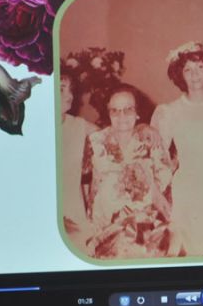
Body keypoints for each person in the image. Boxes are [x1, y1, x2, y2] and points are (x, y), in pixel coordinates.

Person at [151, 42, 203, 256]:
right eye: (187, 69)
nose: (195, 74)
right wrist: (157, 194)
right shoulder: (168, 112)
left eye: (200, 67)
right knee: (192, 250)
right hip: (187, 191)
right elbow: (156, 157)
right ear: (180, 75)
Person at [82, 84, 173, 259]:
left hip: (145, 228)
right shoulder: (95, 141)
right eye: (115, 111)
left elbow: (165, 184)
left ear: (137, 112)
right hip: (105, 228)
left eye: (128, 110)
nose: (121, 116)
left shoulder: (151, 140)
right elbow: (86, 184)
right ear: (108, 113)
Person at [59, 69, 97, 253]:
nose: (70, 96)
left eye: (71, 90)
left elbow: (114, 133)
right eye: (61, 89)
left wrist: (143, 128)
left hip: (75, 217)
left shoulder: (78, 125)